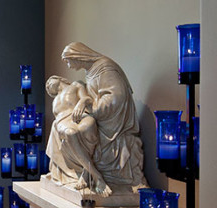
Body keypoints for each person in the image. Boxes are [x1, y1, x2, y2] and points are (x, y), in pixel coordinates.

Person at [46, 43, 146, 195]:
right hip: (89, 115)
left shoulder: (105, 68)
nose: (68, 65)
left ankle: (88, 173)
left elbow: (115, 98)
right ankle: (91, 173)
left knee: (84, 128)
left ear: (77, 56)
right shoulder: (90, 71)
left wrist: (91, 107)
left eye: (68, 60)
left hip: (113, 121)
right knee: (68, 131)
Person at [45, 75, 105, 193]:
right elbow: (56, 119)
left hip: (80, 116)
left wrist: (82, 102)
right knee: (70, 133)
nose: (48, 85)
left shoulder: (75, 85)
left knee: (88, 126)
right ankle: (96, 176)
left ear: (59, 78)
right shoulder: (55, 100)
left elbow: (87, 98)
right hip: (63, 122)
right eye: (47, 87)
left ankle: (86, 172)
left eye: (49, 81)